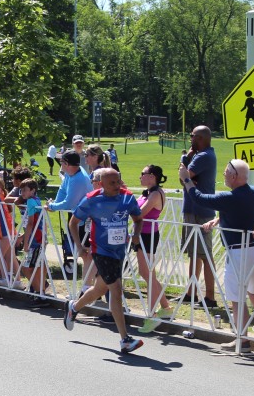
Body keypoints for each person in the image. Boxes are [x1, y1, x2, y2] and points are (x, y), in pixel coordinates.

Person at [182, 159, 254, 351]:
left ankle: (242, 340)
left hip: (239, 251)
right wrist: (218, 220)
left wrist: (186, 179)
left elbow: (199, 198)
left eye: (226, 172)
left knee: (236, 297)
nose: (223, 174)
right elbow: (240, 210)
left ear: (234, 176)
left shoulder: (228, 197)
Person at [63, 168, 144, 354]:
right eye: (112, 183)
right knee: (116, 289)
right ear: (100, 184)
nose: (117, 186)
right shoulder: (91, 199)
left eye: (118, 181)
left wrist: (136, 235)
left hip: (119, 251)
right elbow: (73, 223)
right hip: (101, 251)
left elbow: (138, 219)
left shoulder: (127, 198)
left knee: (100, 288)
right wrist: (79, 246)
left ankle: (74, 307)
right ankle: (125, 339)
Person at [179, 125, 218, 306]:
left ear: (200, 138)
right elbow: (186, 179)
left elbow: (183, 177)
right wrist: (187, 177)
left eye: (192, 135)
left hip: (200, 211)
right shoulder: (202, 155)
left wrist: (184, 159)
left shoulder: (203, 156)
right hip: (194, 209)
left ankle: (210, 297)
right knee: (195, 254)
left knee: (205, 255)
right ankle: (191, 292)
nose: (190, 139)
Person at [136, 166, 173, 333]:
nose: (140, 177)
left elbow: (140, 213)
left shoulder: (156, 194)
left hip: (148, 235)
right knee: (146, 273)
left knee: (148, 274)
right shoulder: (148, 193)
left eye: (142, 174)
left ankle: (152, 316)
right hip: (141, 234)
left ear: (152, 176)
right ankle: (165, 307)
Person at [45, 150, 92, 276]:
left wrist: (52, 206)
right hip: (78, 217)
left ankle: (89, 284)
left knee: (87, 253)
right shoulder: (71, 173)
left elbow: (69, 203)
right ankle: (87, 284)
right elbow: (62, 190)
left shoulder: (78, 178)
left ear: (66, 163)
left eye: (61, 162)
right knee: (83, 253)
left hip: (85, 220)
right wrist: (55, 203)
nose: (60, 164)